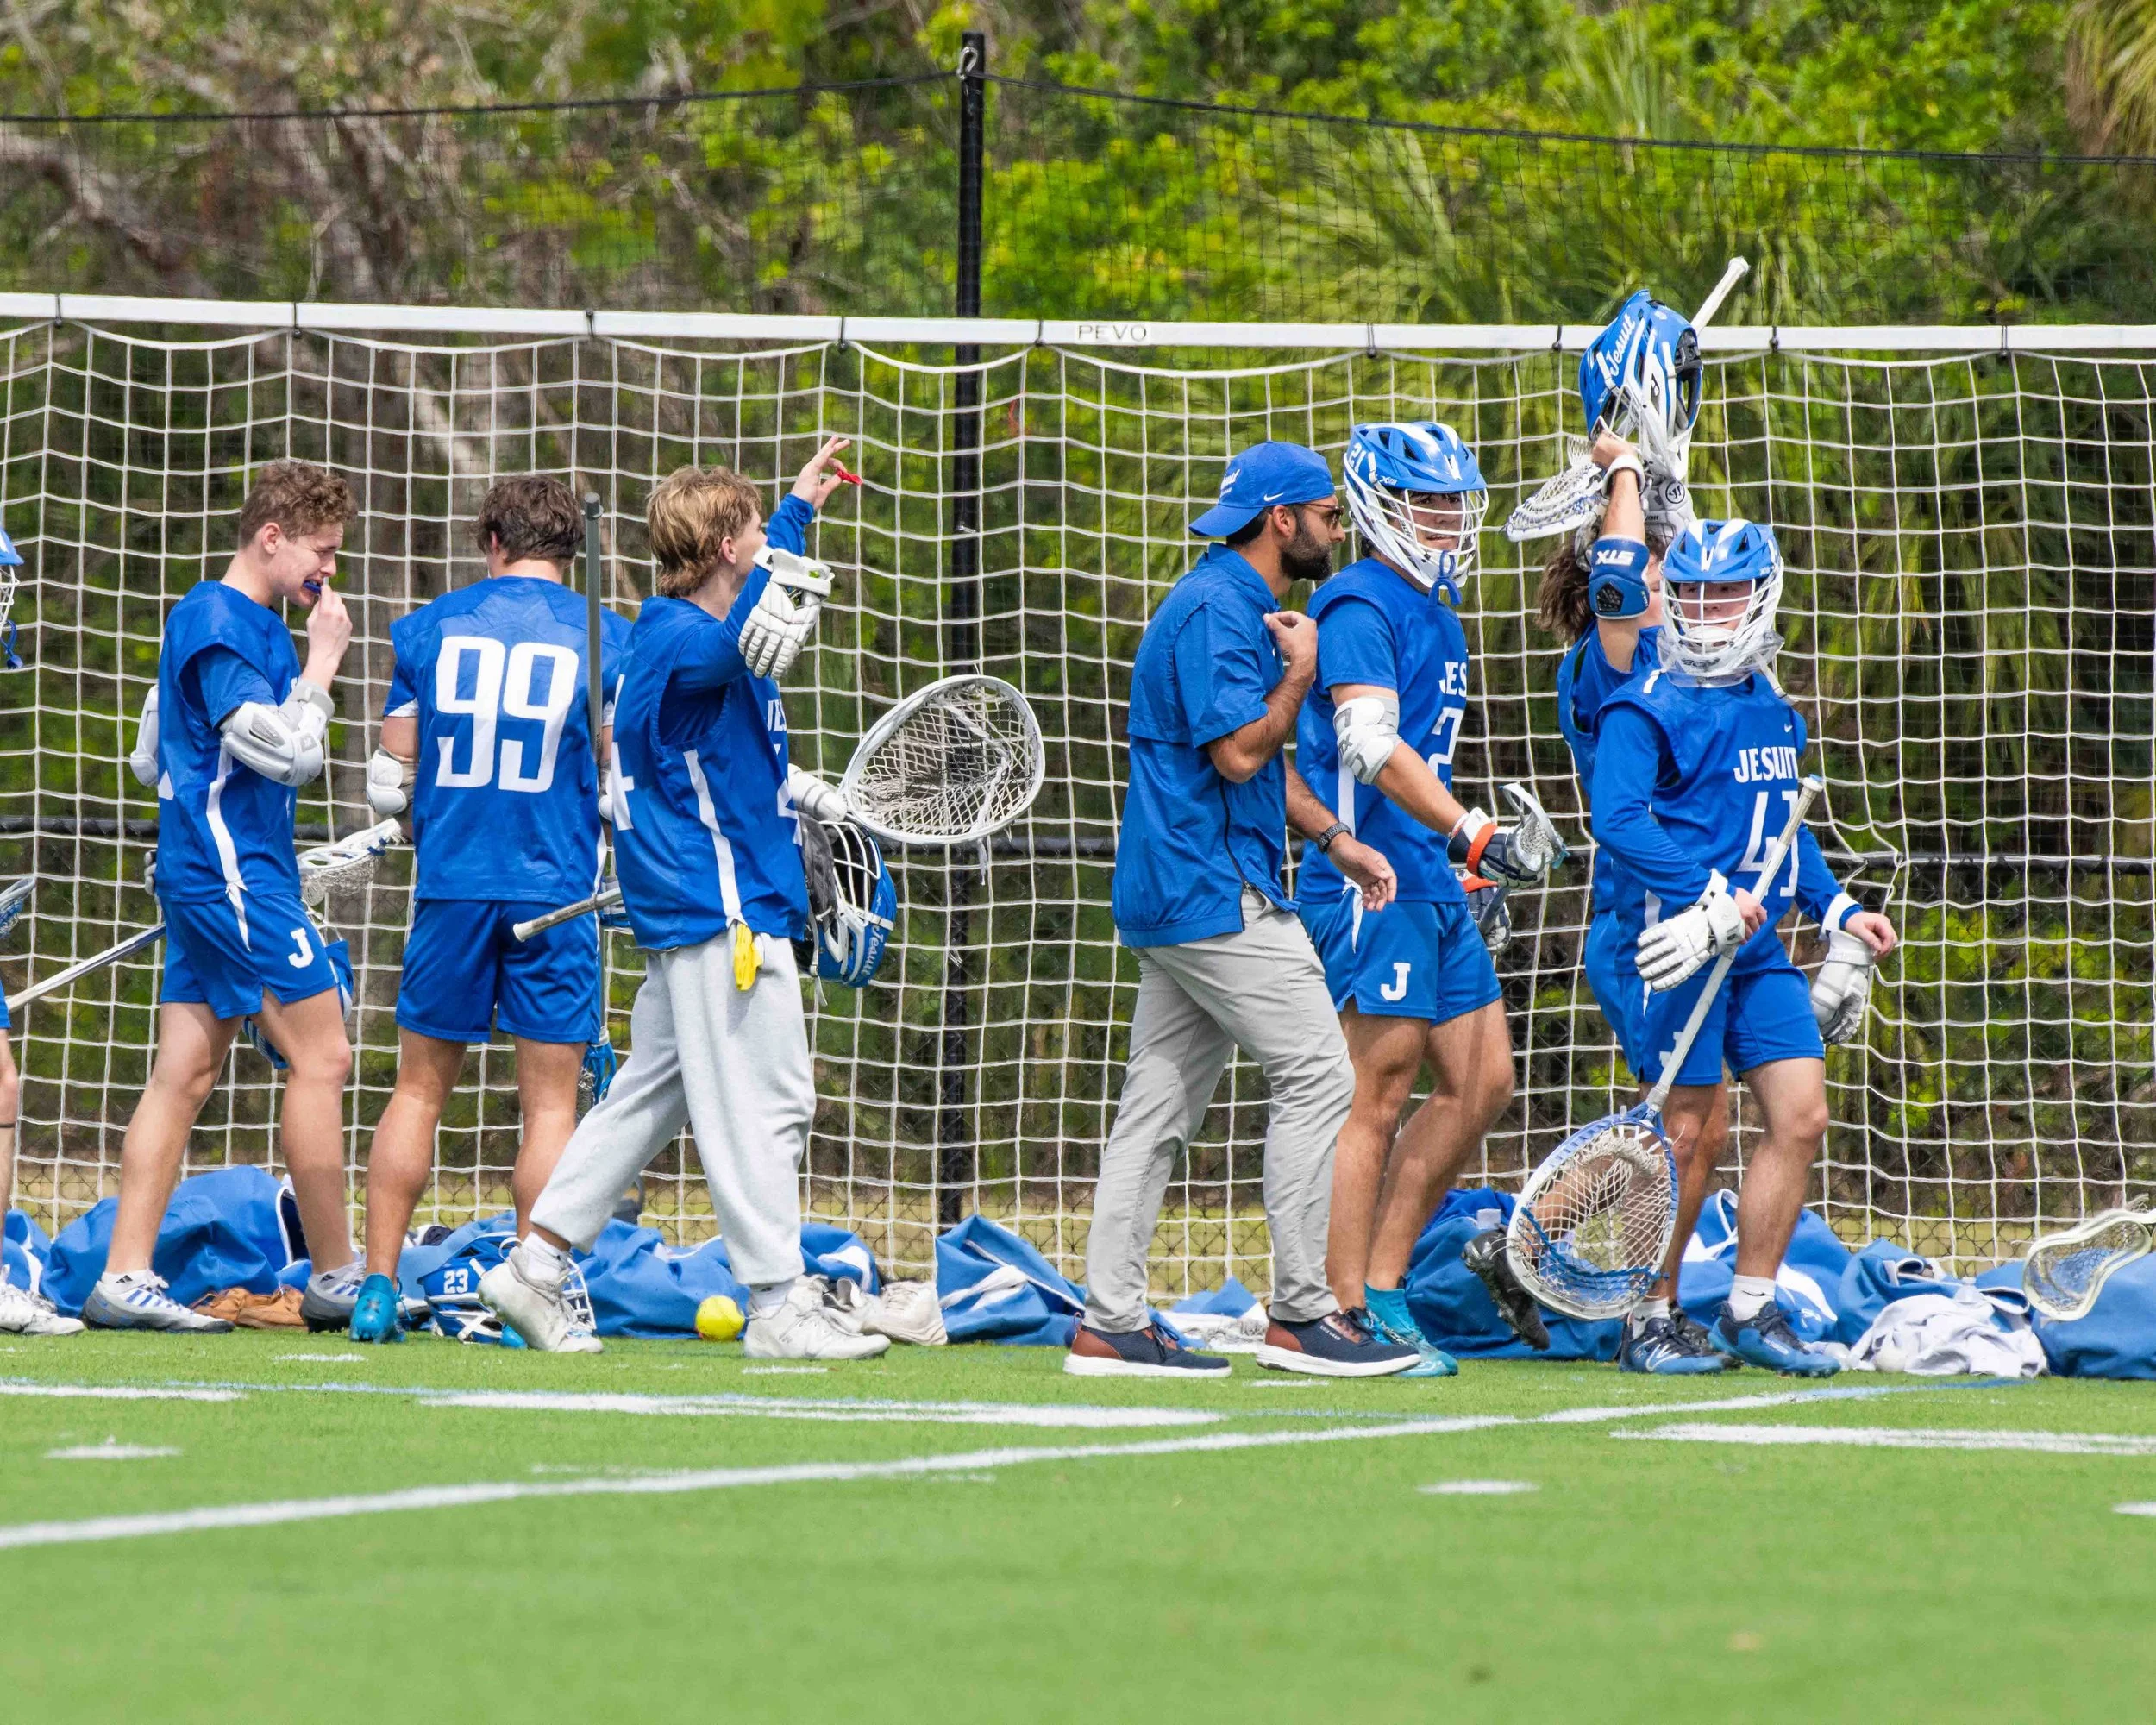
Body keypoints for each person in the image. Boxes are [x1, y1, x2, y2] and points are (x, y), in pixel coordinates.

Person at [478, 438, 886, 1360]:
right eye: (756, 534)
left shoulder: (675, 633)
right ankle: (777, 1303)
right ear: (729, 549)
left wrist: (794, 508)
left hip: (705, 908)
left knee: (644, 1101)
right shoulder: (689, 642)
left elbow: (733, 702)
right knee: (768, 1103)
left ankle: (534, 1265)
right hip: (723, 912)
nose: (768, 548)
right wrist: (785, 539)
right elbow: (743, 638)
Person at [1067, 440, 1416, 1379]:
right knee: (1319, 1074)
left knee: (1156, 1111)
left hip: (1184, 892)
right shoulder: (1221, 608)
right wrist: (1301, 672)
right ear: (1281, 519)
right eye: (1327, 514)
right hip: (1212, 893)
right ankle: (1302, 1313)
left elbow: (1257, 767)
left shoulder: (1229, 600)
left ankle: (1109, 1323)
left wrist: (1335, 839)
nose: (1336, 529)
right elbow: (1238, 754)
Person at [1590, 515, 1897, 1375]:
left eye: (1724, 592)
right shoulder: (1644, 703)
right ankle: (1648, 1315)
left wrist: (1837, 909)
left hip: (1752, 947)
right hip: (1672, 940)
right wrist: (1707, 894)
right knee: (1687, 1130)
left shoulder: (1771, 706)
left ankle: (1750, 1306)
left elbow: (1783, 833)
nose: (1705, 609)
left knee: (1800, 1114)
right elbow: (1616, 819)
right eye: (1689, 593)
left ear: (1760, 597)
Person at [1291, 421, 1560, 1377]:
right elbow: (1368, 745)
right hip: (1369, 879)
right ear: (1378, 508)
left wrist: (1462, 863)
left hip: (1429, 878)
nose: (1446, 521)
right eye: (1426, 503)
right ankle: (1342, 1308)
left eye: (1454, 504)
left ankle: (1385, 1282)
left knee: (1483, 1083)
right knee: (1377, 1089)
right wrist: (1472, 834)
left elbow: (1424, 762)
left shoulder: (1437, 614)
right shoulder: (1359, 599)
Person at [347, 476, 634, 1343]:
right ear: (570, 550)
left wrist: (424, 822)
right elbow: (618, 778)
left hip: (454, 883)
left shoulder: (431, 626)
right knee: (550, 1108)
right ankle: (526, 1292)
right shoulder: (605, 636)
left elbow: (388, 780)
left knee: (417, 1090)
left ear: (493, 540)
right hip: (555, 888)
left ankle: (376, 1284)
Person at [91, 461, 360, 1333]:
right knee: (323, 1056)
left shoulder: (231, 620)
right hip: (231, 875)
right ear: (271, 538)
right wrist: (324, 664)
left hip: (218, 869)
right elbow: (287, 755)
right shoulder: (219, 619)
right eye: (321, 551)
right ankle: (337, 1274)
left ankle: (124, 1274)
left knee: (186, 1072)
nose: (329, 571)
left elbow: (150, 754)